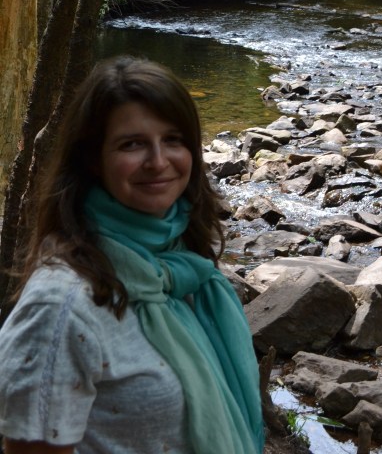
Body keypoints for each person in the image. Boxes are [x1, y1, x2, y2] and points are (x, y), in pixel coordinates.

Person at [0, 56, 265, 454]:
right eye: (132, 144)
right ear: (93, 159)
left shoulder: (182, 267)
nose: (159, 162)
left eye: (173, 139)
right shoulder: (61, 306)